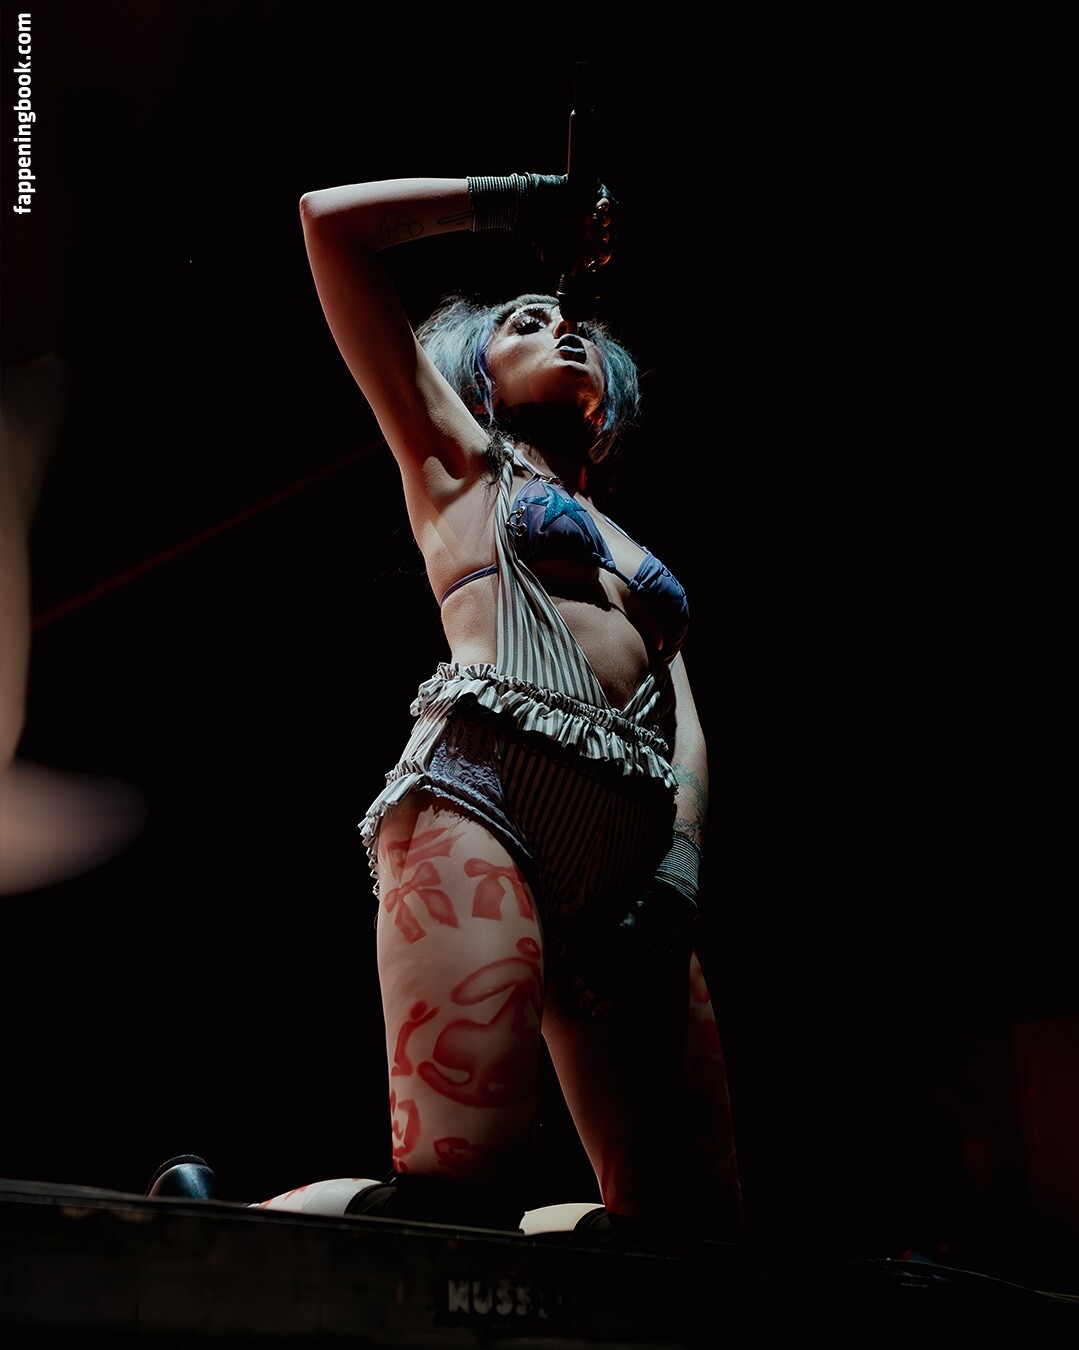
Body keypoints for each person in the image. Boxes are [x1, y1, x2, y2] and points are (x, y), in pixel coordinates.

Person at [150, 167, 742, 1244]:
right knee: (458, 1198)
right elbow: (327, 227)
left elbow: (684, 717)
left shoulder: (636, 552)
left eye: (571, 324)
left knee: (693, 1228)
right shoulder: (457, 456)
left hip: (635, 863)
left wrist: (680, 874)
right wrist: (518, 200)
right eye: (525, 322)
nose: (560, 329)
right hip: (488, 800)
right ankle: (228, 1225)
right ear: (474, 376)